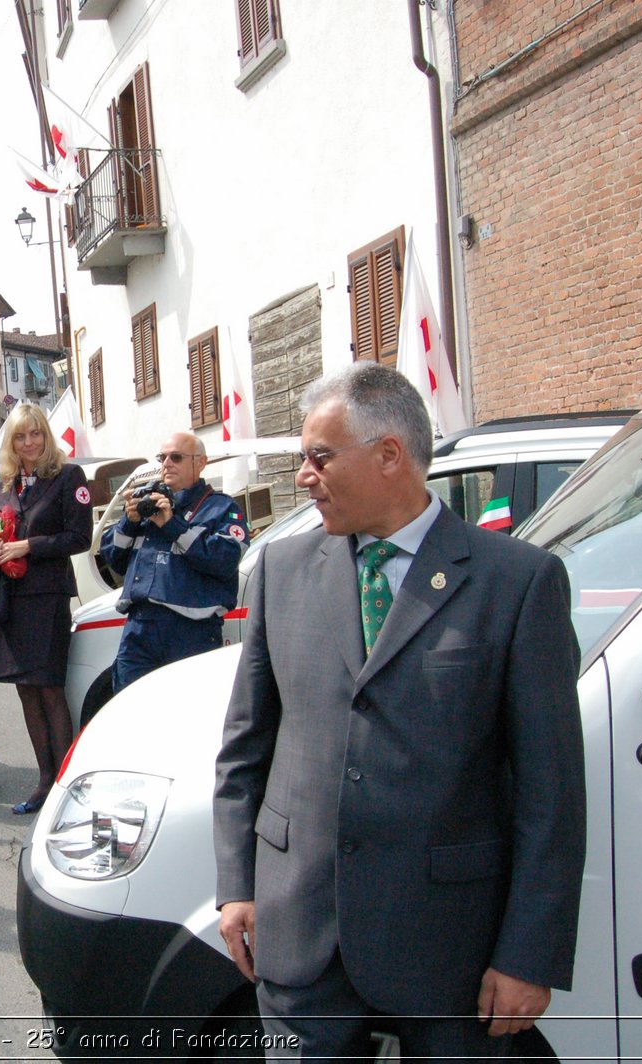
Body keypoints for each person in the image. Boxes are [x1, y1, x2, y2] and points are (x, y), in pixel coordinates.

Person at [212, 362, 586, 1059]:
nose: (303, 478)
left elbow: (551, 794)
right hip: (303, 940)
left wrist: (529, 955)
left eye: (319, 458)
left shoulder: (517, 583)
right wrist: (236, 885)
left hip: (449, 952)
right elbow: (246, 745)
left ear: (390, 455)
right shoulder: (281, 573)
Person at [0, 404, 93, 816]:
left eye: (35, 435)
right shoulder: (6, 483)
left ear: (46, 437)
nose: (29, 443)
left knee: (49, 689)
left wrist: (29, 545)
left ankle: (66, 783)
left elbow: (79, 537)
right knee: (25, 691)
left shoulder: (67, 478)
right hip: (11, 601)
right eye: (20, 437)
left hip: (46, 599)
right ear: (11, 443)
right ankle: (45, 780)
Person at [101, 432, 246, 693]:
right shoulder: (148, 503)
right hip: (140, 628)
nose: (166, 463)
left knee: (188, 716)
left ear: (200, 462)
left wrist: (173, 526)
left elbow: (225, 559)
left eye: (176, 457)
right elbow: (113, 558)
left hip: (191, 631)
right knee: (129, 710)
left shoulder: (220, 508)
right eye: (162, 457)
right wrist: (129, 521)